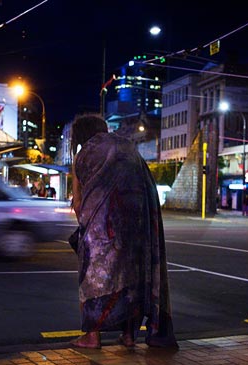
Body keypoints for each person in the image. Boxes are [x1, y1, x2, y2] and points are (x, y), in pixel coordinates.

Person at [68, 113, 178, 350]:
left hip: (102, 233)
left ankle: (92, 336)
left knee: (93, 280)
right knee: (131, 279)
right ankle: (129, 336)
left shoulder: (83, 155)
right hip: (138, 227)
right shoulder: (127, 147)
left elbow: (79, 206)